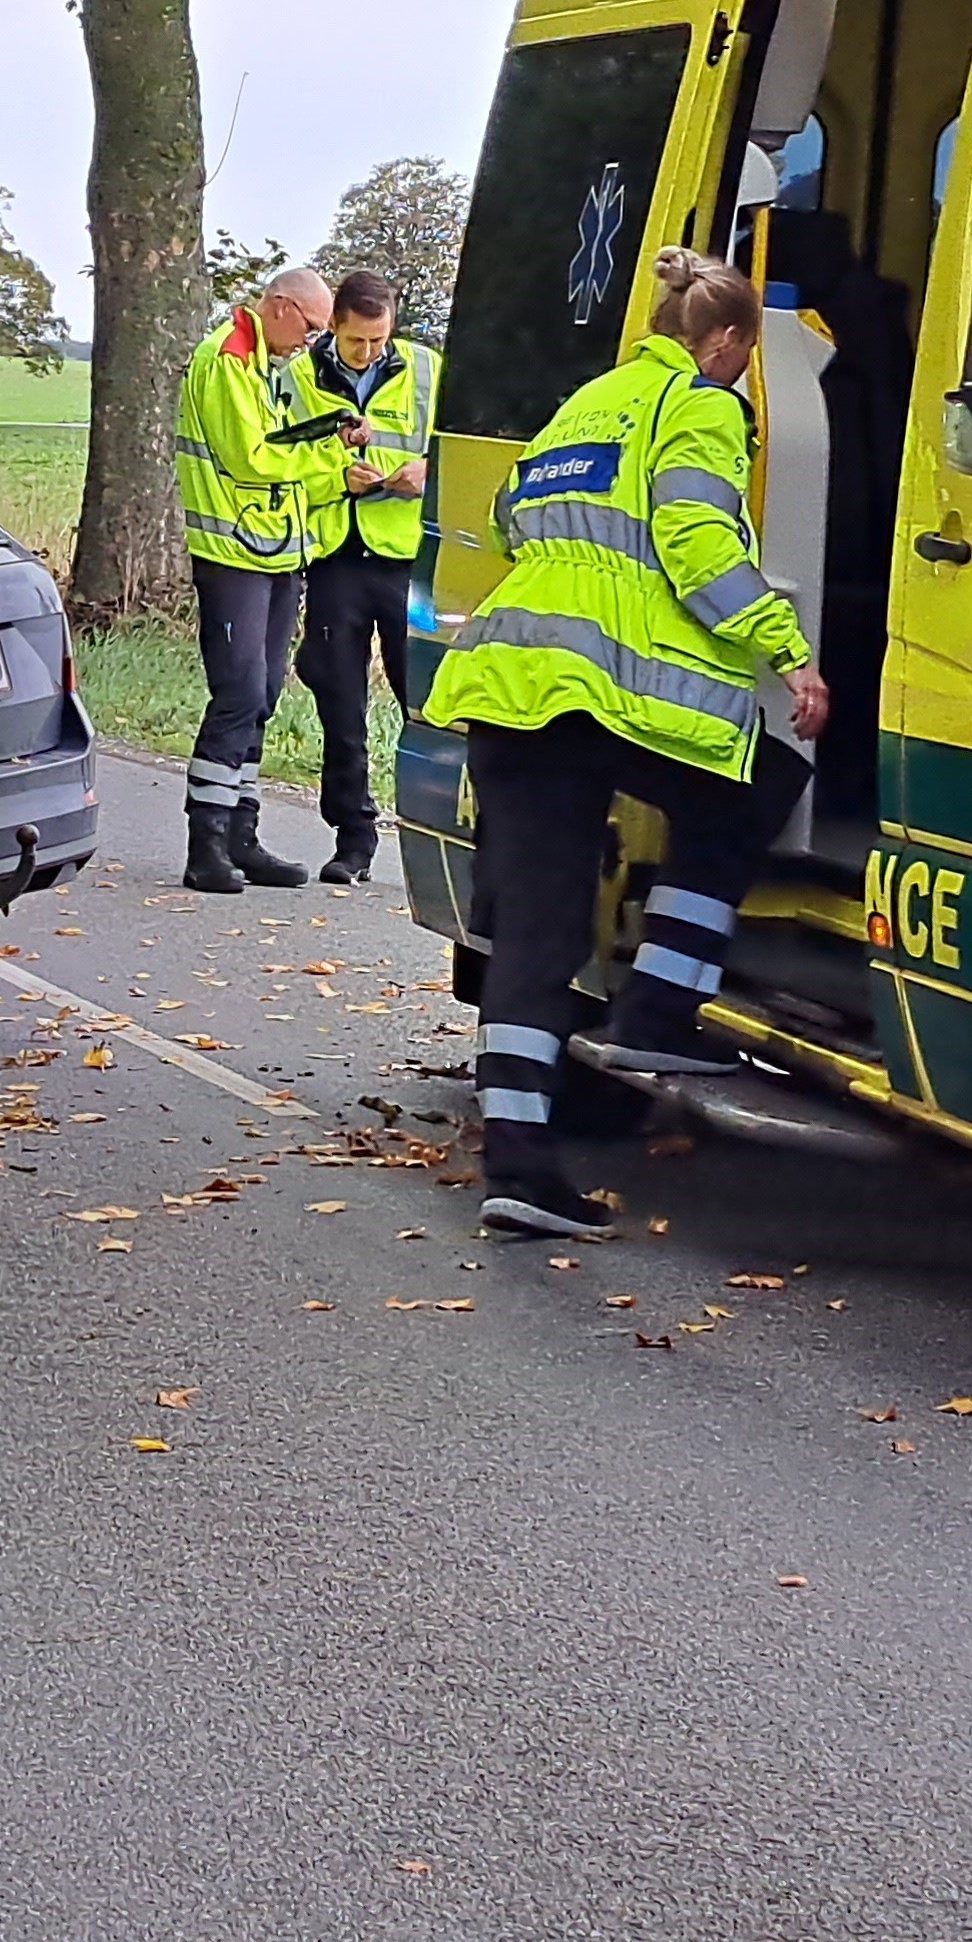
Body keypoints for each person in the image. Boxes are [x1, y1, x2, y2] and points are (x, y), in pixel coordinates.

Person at [423, 246, 825, 1241]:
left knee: (536, 935)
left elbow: (510, 516)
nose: (740, 375)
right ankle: (657, 1011)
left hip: (507, 680)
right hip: (596, 691)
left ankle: (518, 1166)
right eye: (740, 358)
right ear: (725, 340)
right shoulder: (700, 403)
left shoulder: (589, 401)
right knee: (751, 787)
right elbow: (696, 541)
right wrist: (788, 654)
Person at [170, 262, 348, 893]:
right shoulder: (227, 359)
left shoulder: (277, 362)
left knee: (266, 693)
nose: (312, 341)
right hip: (232, 555)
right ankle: (206, 843)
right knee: (240, 691)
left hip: (277, 554)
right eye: (311, 327)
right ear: (279, 306)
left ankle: (243, 835)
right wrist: (331, 475)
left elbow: (301, 429)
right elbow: (251, 458)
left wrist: (341, 432)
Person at [291, 268, 434, 885]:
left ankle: (433, 837)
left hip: (407, 562)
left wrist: (427, 470)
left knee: (424, 701)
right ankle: (353, 839)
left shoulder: (428, 370)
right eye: (357, 342)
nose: (371, 352)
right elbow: (277, 459)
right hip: (336, 559)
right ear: (335, 328)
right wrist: (333, 479)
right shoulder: (298, 377)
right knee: (341, 704)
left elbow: (457, 442)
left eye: (380, 340)